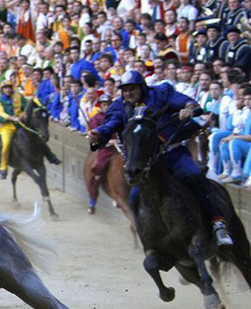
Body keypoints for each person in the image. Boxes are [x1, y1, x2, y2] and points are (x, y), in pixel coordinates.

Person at [87, 70, 234, 246]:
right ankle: (149, 241)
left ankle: (218, 223)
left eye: (132, 89)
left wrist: (188, 109)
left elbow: (186, 102)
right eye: (125, 90)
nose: (128, 93)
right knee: (134, 197)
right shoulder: (119, 106)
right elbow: (110, 125)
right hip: (147, 164)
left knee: (195, 176)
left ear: (142, 87)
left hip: (174, 154)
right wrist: (98, 133)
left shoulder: (161, 92)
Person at [0, 73, 26, 180]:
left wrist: (24, 115)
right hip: (7, 126)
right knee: (6, 144)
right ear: (2, 89)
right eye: (5, 88)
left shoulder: (19, 96)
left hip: (21, 123)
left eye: (9, 88)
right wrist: (13, 118)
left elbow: (26, 107)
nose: (7, 90)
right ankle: (3, 167)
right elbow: (1, 113)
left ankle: (49, 156)